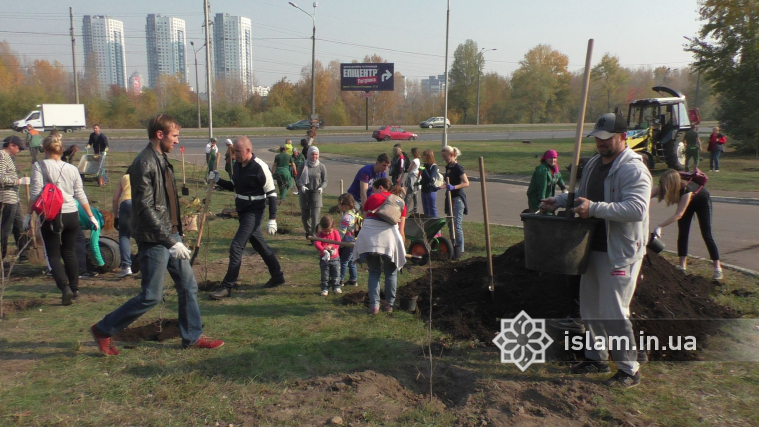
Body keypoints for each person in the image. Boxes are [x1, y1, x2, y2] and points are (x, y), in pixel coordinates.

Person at [91, 114, 224, 356]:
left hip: (171, 235)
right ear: (159, 135)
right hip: (156, 240)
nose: (177, 140)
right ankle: (103, 329)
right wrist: (170, 241)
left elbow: (166, 202)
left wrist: (176, 234)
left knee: (188, 287)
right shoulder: (144, 163)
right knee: (151, 296)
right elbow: (145, 208)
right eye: (175, 136)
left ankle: (192, 337)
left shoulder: (162, 159)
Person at [541, 112, 652, 388]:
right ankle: (596, 357)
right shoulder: (593, 164)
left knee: (613, 311)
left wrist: (595, 209)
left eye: (607, 138)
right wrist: (559, 200)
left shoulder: (633, 170)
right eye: (597, 138)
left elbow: (637, 209)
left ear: (624, 137)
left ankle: (629, 369)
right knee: (590, 308)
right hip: (590, 247)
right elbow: (581, 196)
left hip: (620, 250)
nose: (600, 143)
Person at [209, 137, 285, 300]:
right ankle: (278, 276)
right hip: (242, 211)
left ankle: (227, 286)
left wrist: (273, 218)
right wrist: (218, 180)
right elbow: (234, 186)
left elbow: (271, 193)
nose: (235, 155)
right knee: (260, 245)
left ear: (248, 150)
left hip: (255, 212)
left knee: (236, 246)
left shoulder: (260, 167)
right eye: (234, 151)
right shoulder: (237, 166)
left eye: (238, 152)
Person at [26, 136, 97, 306]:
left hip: (51, 214)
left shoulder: (39, 166)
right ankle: (75, 288)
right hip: (71, 213)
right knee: (70, 252)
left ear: (44, 149)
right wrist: (91, 216)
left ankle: (64, 288)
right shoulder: (71, 168)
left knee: (53, 254)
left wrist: (28, 215)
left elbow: (36, 192)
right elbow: (80, 193)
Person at [651, 169, 722, 279]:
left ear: (672, 183)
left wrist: (660, 226)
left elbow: (679, 214)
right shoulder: (662, 186)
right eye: (662, 184)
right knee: (683, 234)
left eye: (666, 185)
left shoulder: (686, 189)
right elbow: (645, 197)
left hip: (702, 202)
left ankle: (717, 268)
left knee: (706, 234)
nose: (663, 187)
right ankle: (682, 266)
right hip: (687, 204)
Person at [354, 179, 406, 314]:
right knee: (390, 273)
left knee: (374, 272)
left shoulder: (371, 198)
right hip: (389, 239)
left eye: (374, 189)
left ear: (380, 188)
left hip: (368, 239)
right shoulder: (399, 202)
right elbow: (401, 230)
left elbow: (365, 221)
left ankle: (374, 306)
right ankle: (389, 305)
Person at [1, 136, 29, 261]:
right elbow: (0, 178)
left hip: (14, 198)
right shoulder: (2, 157)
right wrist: (18, 181)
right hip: (6, 197)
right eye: (19, 148)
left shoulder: (8, 157)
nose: (20, 151)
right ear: (11, 145)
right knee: (6, 227)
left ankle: (23, 253)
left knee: (19, 225)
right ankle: (2, 255)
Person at [440, 146, 469, 260]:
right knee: (450, 224)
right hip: (449, 198)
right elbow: (447, 183)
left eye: (445, 156)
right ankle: (453, 246)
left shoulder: (458, 167)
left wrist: (454, 187)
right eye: (443, 157)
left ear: (452, 155)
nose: (444, 159)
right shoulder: (448, 167)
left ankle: (459, 250)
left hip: (457, 198)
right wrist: (439, 187)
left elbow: (466, 183)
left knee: (456, 225)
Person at [296, 146, 328, 238]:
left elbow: (325, 180)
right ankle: (308, 231)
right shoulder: (303, 165)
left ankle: (313, 235)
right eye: (312, 154)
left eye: (316, 154)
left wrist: (322, 188)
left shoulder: (321, 166)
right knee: (305, 217)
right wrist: (301, 186)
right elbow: (297, 178)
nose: (314, 156)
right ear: (308, 154)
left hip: (316, 194)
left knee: (315, 217)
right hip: (305, 194)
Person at [75, 200, 107, 278]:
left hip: (67, 207)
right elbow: (94, 245)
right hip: (70, 213)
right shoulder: (98, 221)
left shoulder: (93, 211)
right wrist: (101, 264)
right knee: (80, 242)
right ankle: (81, 270)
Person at [112, 170, 134, 277]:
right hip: (141, 204)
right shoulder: (144, 175)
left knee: (124, 235)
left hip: (127, 204)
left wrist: (116, 217)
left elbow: (115, 199)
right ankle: (145, 266)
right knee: (142, 236)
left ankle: (126, 266)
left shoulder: (125, 177)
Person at [313, 215, 341, 296]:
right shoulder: (320, 235)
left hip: (335, 258)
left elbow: (338, 242)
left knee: (336, 273)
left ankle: (336, 287)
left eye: (329, 231)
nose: (327, 233)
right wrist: (323, 250)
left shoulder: (335, 232)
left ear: (333, 227)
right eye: (325, 231)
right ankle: (325, 288)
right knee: (325, 274)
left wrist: (332, 246)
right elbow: (316, 243)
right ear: (321, 228)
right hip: (324, 259)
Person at [337, 193, 359, 287]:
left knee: (344, 261)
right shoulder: (354, 212)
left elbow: (342, 232)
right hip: (354, 241)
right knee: (351, 261)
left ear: (345, 206)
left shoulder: (346, 218)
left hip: (348, 242)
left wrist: (338, 242)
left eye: (339, 204)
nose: (338, 206)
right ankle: (353, 280)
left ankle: (340, 280)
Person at [419, 149, 440, 218]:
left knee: (432, 210)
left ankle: (436, 227)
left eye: (424, 155)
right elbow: (424, 178)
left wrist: (424, 170)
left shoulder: (434, 166)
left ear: (428, 156)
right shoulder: (425, 165)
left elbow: (430, 179)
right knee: (426, 211)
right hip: (424, 190)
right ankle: (428, 226)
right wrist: (419, 182)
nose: (422, 157)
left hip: (430, 191)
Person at [403, 148, 421, 215]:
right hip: (415, 176)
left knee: (409, 193)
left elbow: (409, 169)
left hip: (412, 176)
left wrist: (406, 169)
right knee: (415, 193)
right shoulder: (418, 160)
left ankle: (405, 208)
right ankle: (415, 208)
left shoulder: (414, 161)